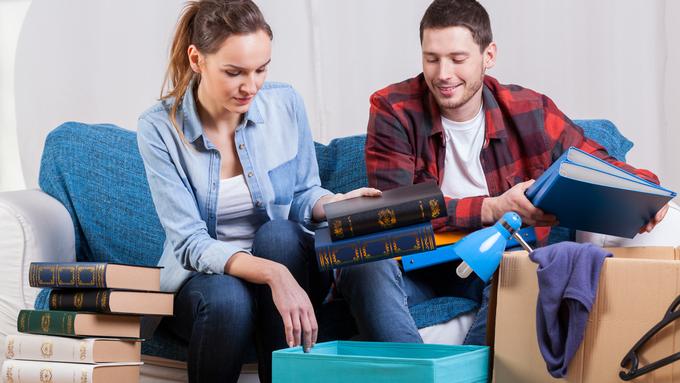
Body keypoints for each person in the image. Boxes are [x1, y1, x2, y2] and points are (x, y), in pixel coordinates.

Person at [336, 0, 669, 346]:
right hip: (414, 269)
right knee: (361, 262)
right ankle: (419, 372)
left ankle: (475, 371)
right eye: (431, 58)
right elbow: (394, 211)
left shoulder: (529, 110)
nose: (442, 73)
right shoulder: (394, 108)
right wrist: (491, 207)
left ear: (488, 55)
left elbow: (597, 164)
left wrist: (647, 192)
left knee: (524, 265)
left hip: (495, 263)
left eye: (457, 59)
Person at [136, 1, 379, 382]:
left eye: (261, 69)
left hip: (283, 257)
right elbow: (189, 243)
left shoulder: (285, 104)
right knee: (228, 299)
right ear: (197, 59)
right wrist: (272, 274)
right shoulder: (159, 129)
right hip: (207, 281)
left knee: (279, 234)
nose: (251, 86)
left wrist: (333, 203)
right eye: (234, 73)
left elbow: (302, 195)